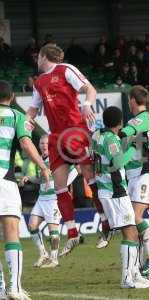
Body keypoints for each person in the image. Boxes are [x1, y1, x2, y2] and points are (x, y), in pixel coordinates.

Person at [26, 44, 110, 256]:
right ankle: (72, 233)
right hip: (55, 137)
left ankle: (106, 225)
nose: (36, 61)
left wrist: (87, 104)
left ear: (43, 56)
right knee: (60, 187)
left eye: (38, 57)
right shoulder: (39, 83)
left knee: (89, 177)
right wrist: (25, 123)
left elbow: (89, 89)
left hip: (75, 131)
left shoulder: (65, 69)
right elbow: (34, 109)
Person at [91, 106, 149, 289]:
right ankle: (127, 279)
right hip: (115, 190)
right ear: (120, 123)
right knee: (130, 233)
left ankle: (135, 275)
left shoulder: (96, 135)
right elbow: (117, 162)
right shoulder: (111, 139)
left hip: (106, 189)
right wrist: (133, 147)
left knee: (132, 232)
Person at [0, 80, 50, 300]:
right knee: (11, 230)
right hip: (4, 179)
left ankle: (1, 289)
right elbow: (27, 144)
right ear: (11, 98)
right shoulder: (17, 116)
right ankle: (14, 287)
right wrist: (42, 166)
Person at [119, 85, 149, 276]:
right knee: (131, 219)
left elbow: (126, 131)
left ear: (133, 101)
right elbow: (130, 148)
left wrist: (113, 132)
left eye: (129, 100)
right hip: (137, 174)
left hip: (148, 172)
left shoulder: (145, 118)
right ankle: (141, 262)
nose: (129, 103)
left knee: (134, 217)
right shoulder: (137, 121)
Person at [20, 135, 78, 268]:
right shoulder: (39, 159)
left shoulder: (57, 158)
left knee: (53, 230)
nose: (43, 145)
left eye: (46, 143)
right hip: (42, 198)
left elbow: (74, 171)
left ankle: (54, 259)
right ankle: (43, 254)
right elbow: (41, 179)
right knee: (32, 226)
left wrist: (62, 186)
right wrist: (29, 178)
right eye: (41, 143)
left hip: (54, 199)